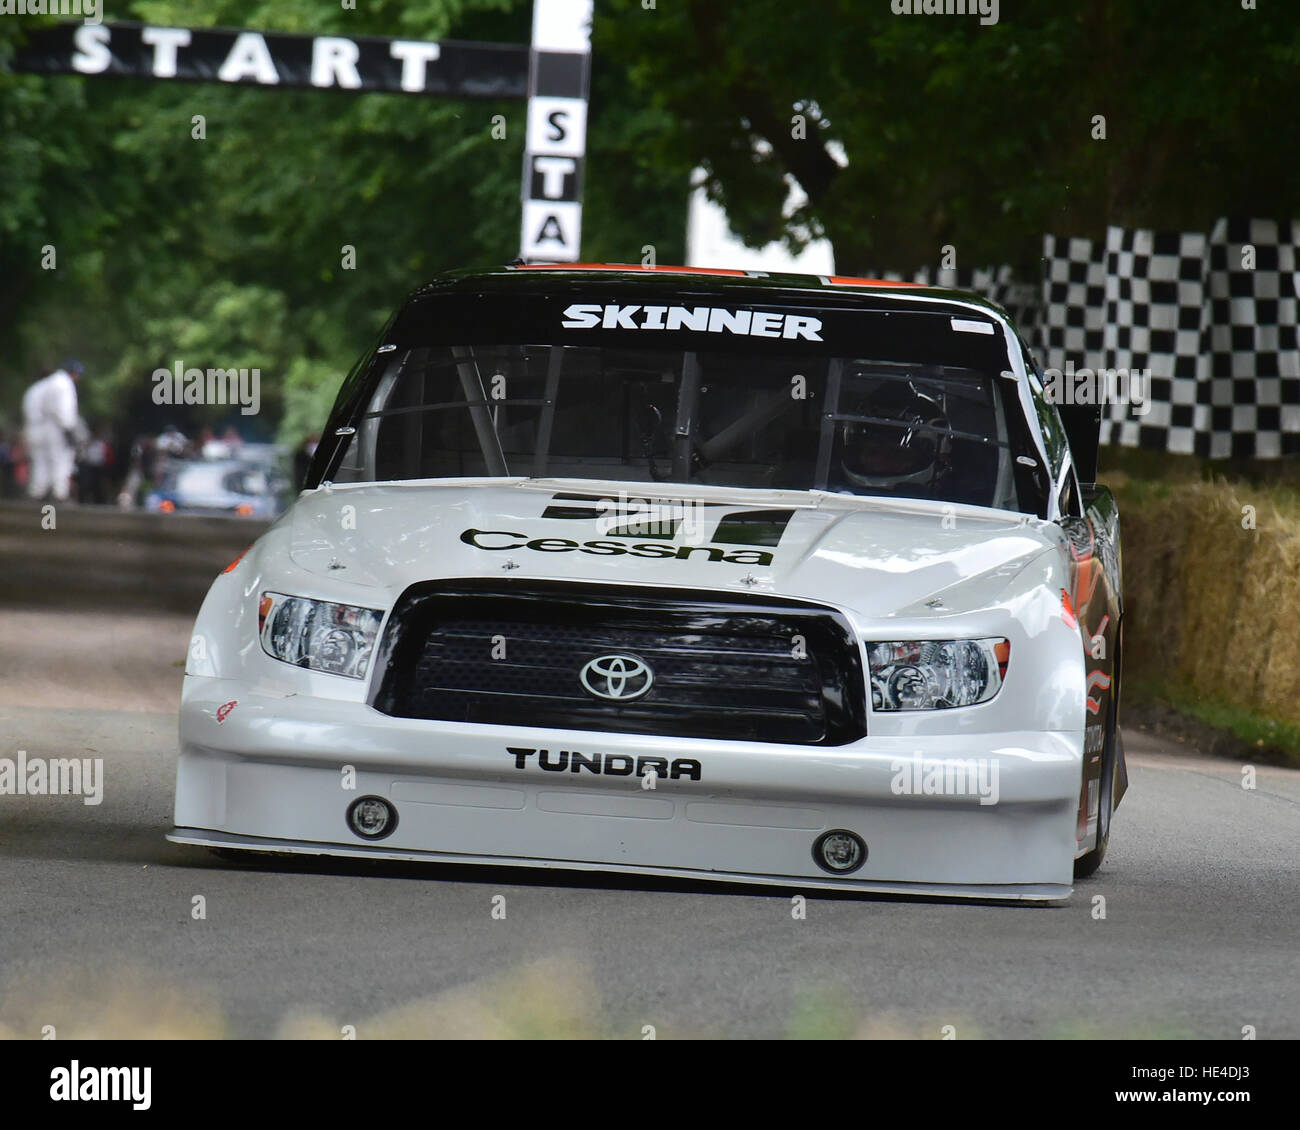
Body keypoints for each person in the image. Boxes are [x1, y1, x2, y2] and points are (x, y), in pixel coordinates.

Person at [22, 359, 84, 502]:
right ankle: (59, 493)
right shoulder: (64, 384)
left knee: (41, 461)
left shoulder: (41, 387)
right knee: (61, 460)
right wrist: (69, 430)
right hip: (56, 428)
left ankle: (37, 492)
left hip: (39, 427)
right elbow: (64, 409)